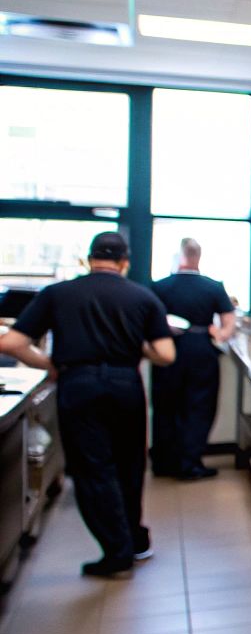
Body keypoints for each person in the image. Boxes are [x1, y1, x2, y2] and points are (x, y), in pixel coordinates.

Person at [0, 232, 175, 577]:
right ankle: (135, 541)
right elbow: (166, 355)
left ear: (90, 259)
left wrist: (49, 365)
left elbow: (11, 342)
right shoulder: (142, 296)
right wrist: (136, 345)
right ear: (125, 263)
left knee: (94, 470)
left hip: (77, 385)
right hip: (126, 384)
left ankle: (117, 551)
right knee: (130, 465)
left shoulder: (58, 294)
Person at [150, 238, 237, 481]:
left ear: (180, 257)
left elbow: (147, 320)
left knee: (165, 406)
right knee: (199, 407)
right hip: (201, 350)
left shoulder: (159, 287)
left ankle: (163, 462)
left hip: (167, 350)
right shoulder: (213, 287)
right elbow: (229, 323)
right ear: (198, 257)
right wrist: (218, 334)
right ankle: (190, 464)